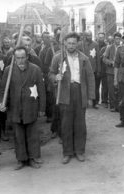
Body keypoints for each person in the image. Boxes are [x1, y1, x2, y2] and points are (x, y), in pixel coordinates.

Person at [49, 32, 95, 164]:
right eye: (68, 43)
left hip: (80, 93)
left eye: (74, 43)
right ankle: (67, 152)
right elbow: (51, 73)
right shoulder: (58, 58)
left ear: (78, 44)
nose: (71, 45)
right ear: (64, 43)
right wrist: (55, 78)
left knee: (80, 124)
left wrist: (91, 97)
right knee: (66, 124)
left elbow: (90, 78)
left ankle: (79, 151)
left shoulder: (84, 59)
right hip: (65, 93)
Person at [0, 46, 46, 170]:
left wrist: (42, 108)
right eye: (18, 58)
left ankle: (33, 158)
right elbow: (4, 90)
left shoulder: (35, 69)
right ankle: (21, 159)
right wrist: (2, 103)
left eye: (23, 57)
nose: (20, 60)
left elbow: (41, 90)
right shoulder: (8, 71)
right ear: (14, 58)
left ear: (27, 57)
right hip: (15, 108)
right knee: (18, 135)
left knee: (32, 135)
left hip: (31, 107)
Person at [78, 30, 101, 109]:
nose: (89, 37)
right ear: (84, 36)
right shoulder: (80, 45)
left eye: (90, 35)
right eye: (88, 35)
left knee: (95, 86)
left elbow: (98, 58)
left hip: (93, 69)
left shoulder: (95, 44)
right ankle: (84, 101)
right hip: (83, 69)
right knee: (84, 85)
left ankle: (95, 102)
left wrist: (98, 70)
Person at [103, 32, 122, 112]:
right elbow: (104, 59)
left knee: (120, 89)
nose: (117, 40)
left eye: (119, 39)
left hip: (120, 72)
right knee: (111, 89)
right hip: (111, 72)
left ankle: (119, 106)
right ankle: (112, 105)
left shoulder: (123, 48)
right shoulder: (109, 47)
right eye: (116, 39)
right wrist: (111, 62)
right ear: (114, 39)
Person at [97, 32, 108, 108]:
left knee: (105, 86)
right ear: (98, 37)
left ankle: (104, 100)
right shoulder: (95, 45)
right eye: (100, 37)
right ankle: (96, 101)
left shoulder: (107, 46)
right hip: (97, 68)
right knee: (96, 86)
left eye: (102, 37)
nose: (101, 39)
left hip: (104, 69)